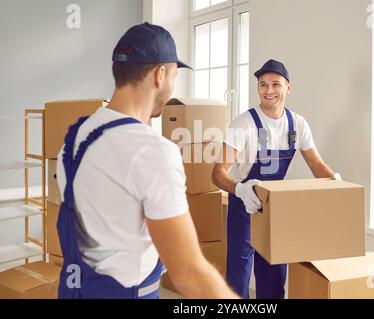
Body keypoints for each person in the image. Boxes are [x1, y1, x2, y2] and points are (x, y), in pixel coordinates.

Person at [56, 22, 238, 299]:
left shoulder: (75, 137)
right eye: (175, 76)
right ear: (160, 74)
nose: (173, 86)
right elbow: (189, 274)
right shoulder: (153, 151)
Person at [212, 59, 341, 299]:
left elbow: (316, 164)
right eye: (262, 85)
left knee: (274, 277)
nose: (269, 90)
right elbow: (217, 173)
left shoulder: (297, 124)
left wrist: (335, 182)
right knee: (239, 278)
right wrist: (240, 190)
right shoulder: (243, 124)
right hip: (244, 206)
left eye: (275, 84)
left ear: (288, 88)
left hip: (275, 209)